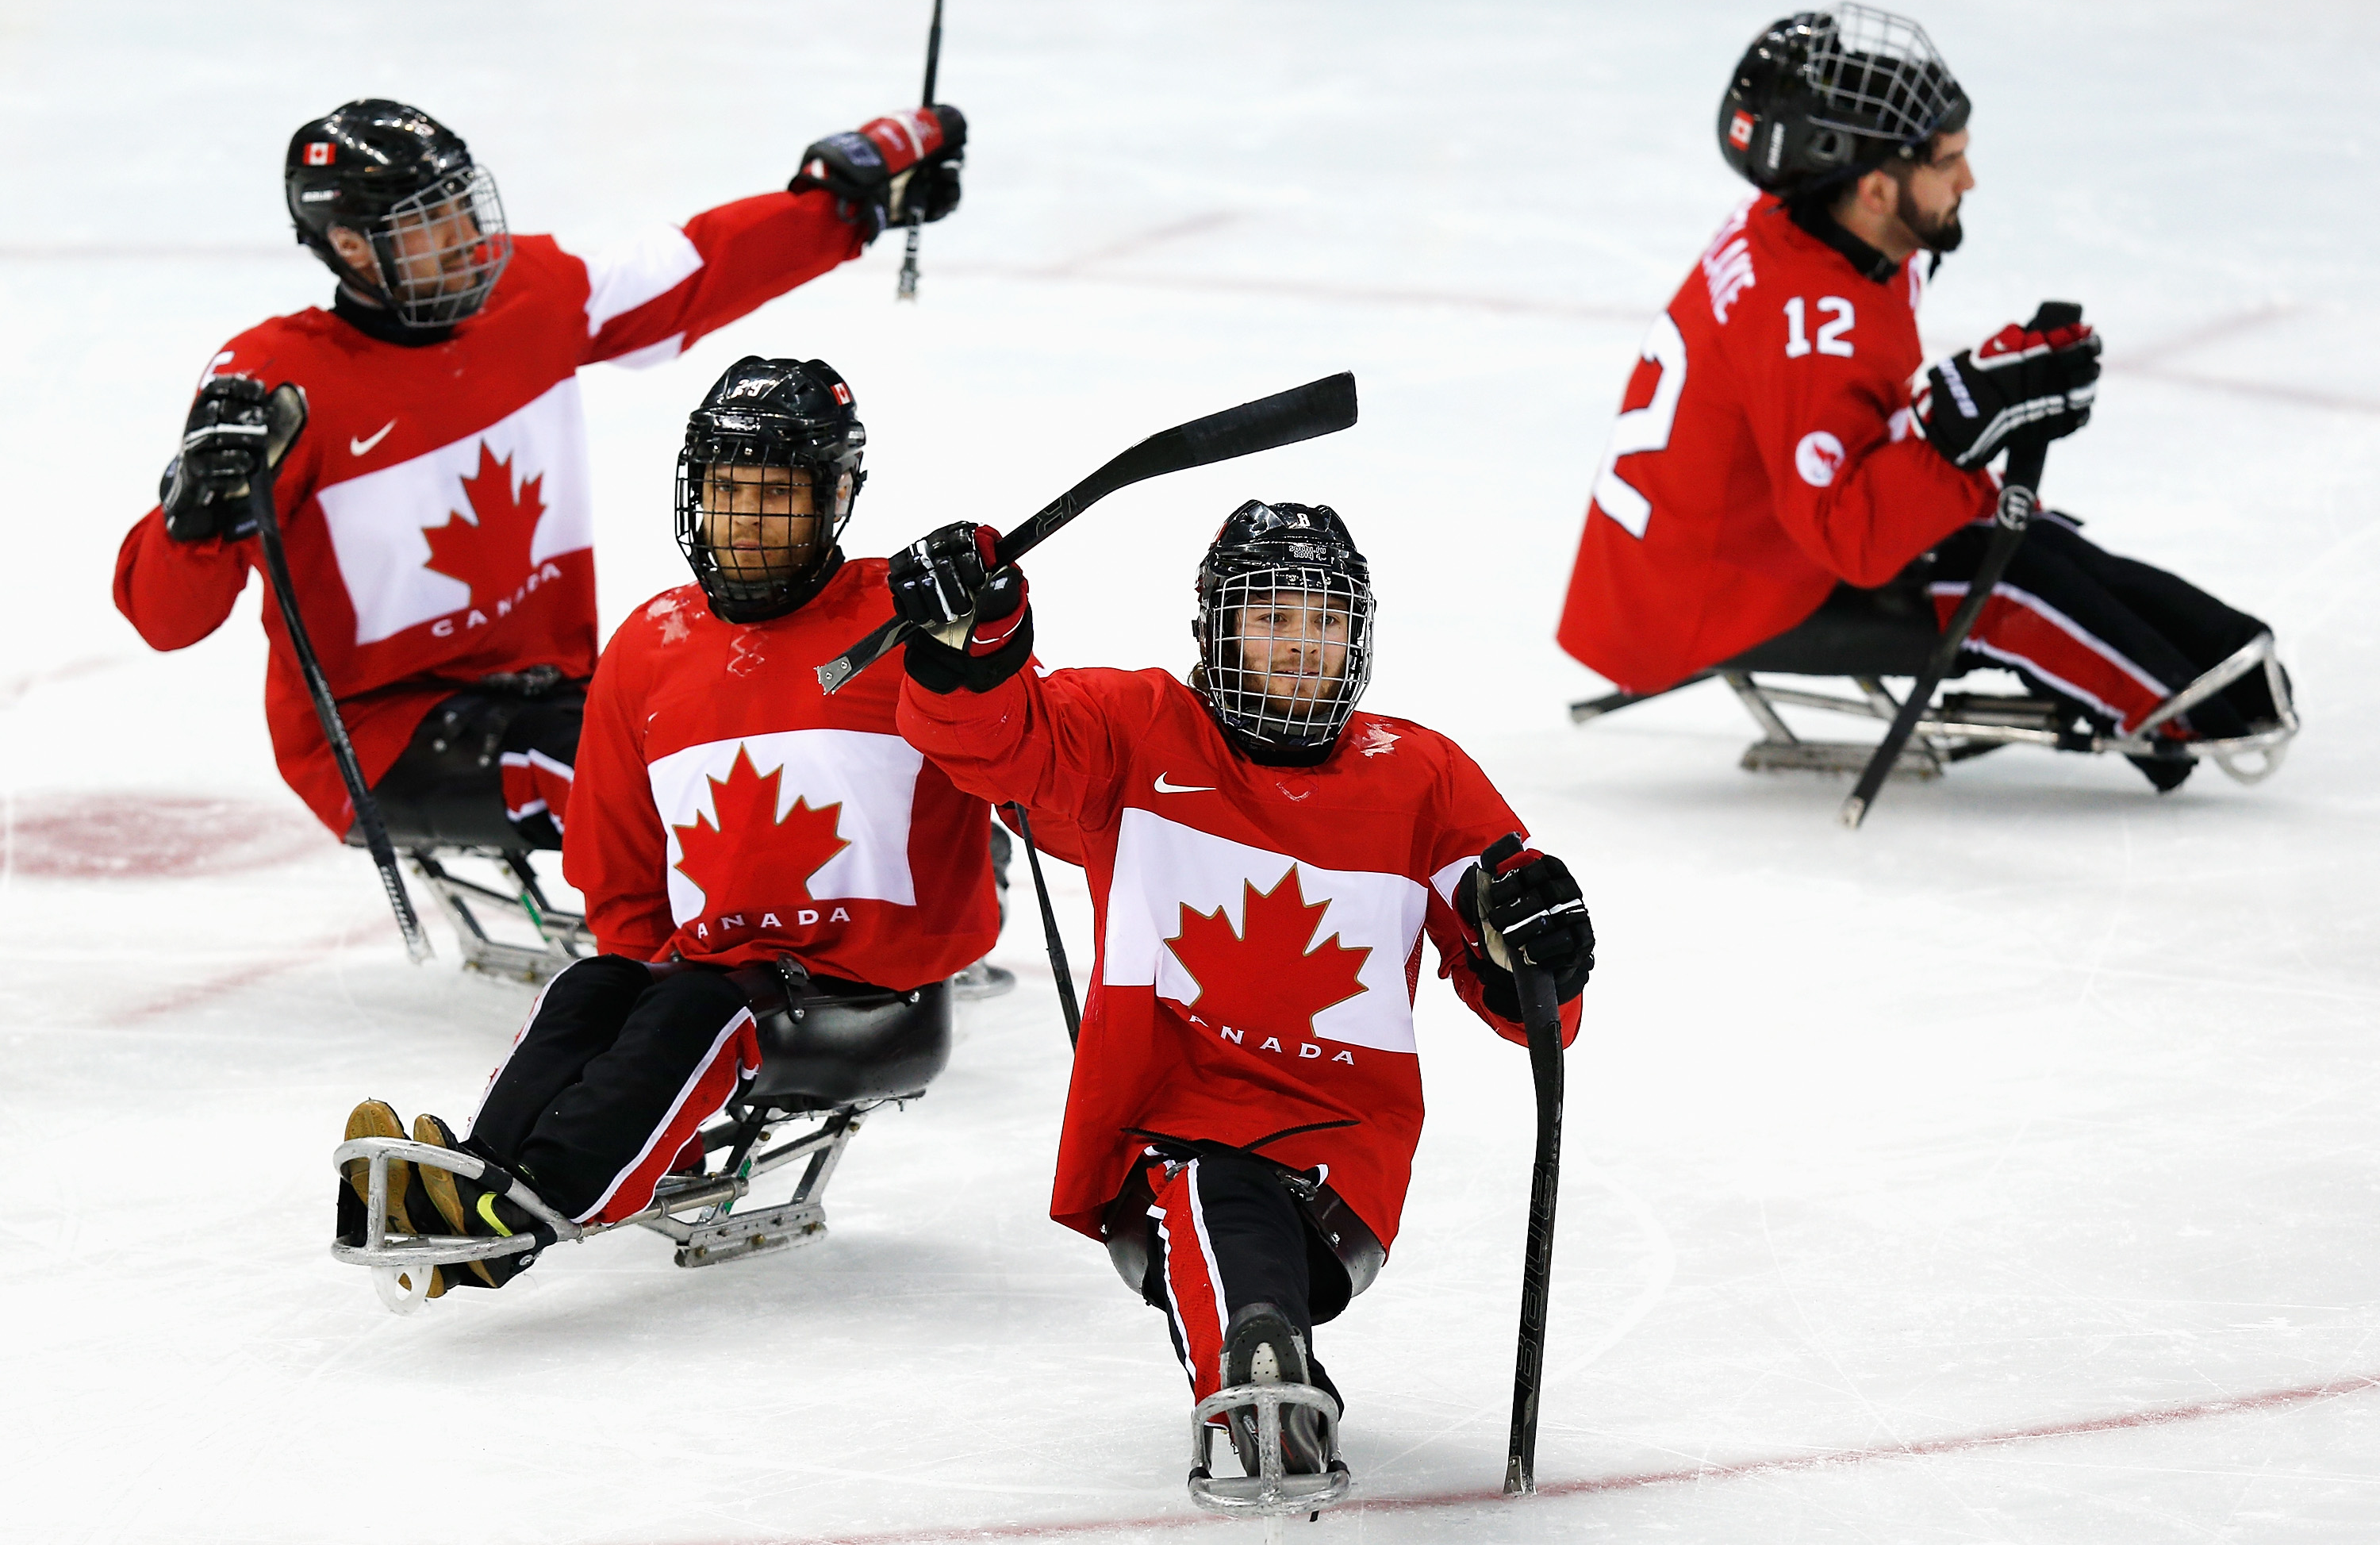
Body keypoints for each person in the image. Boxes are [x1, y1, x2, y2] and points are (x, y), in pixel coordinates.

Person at [883, 502, 1597, 1487]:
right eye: (1272, 619)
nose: (1304, 648)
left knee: (1237, 1206)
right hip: (1162, 1130)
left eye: (1326, 621)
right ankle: (1266, 1376)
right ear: (1215, 630)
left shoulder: (1420, 777)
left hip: (1336, 1165)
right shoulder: (1134, 731)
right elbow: (994, 739)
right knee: (1212, 1187)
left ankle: (1267, 1373)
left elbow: (1535, 1000)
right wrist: (977, 634)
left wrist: (1540, 938)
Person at [115, 96, 965, 849]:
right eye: (427, 224)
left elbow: (687, 274)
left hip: (559, 687)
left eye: (461, 207)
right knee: (657, 786)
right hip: (386, 731)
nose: (465, 240)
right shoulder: (276, 384)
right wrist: (191, 514)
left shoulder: (526, 295)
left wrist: (846, 206)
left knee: (779, 722)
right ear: (351, 247)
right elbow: (166, 620)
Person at [340, 356, 1000, 1298]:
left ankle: (521, 1216)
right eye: (728, 488)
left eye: (775, 492)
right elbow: (620, 868)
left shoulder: (902, 624)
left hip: (877, 989)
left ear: (839, 493)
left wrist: (988, 629)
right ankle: (476, 1178)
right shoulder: (651, 644)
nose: (743, 517)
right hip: (723, 972)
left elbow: (1017, 742)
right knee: (592, 986)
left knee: (695, 1008)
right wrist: (639, 1002)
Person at [1554, 4, 2287, 791]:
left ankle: (2223, 661)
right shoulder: (1811, 327)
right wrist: (1956, 424)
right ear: (1874, 187)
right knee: (2007, 577)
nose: (1968, 180)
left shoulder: (1819, 226)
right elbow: (1852, 540)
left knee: (2018, 528)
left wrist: (1978, 401)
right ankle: (2182, 711)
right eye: (1947, 162)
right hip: (1713, 599)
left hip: (1698, 555)